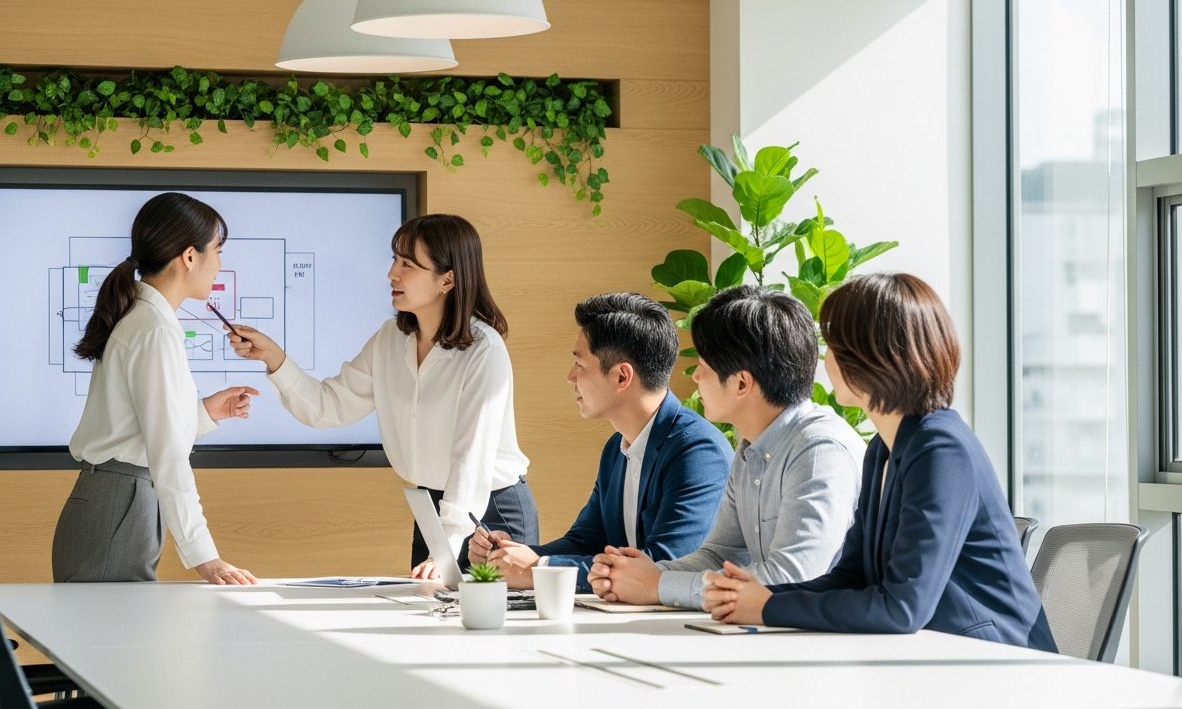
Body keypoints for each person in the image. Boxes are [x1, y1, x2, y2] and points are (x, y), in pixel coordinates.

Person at [702, 273, 1058, 650]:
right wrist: (761, 597)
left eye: (835, 346)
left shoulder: (942, 449)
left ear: (869, 357)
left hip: (996, 660)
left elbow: (902, 608)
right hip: (932, 653)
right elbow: (852, 577)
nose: (826, 359)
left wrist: (769, 607)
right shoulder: (883, 448)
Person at [228, 214, 535, 576]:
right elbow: (329, 407)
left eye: (408, 264)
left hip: (489, 511)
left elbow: (471, 458)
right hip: (434, 508)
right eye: (394, 259)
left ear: (447, 280)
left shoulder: (484, 350)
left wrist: (447, 544)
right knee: (427, 610)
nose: (392, 273)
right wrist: (273, 358)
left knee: (489, 614)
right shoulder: (390, 338)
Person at [587, 285, 865, 610]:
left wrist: (657, 586)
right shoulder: (751, 449)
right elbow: (719, 554)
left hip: (826, 636)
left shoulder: (819, 451)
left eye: (703, 366)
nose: (695, 377)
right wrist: (639, 576)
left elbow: (790, 579)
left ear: (741, 383)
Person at [54, 191, 260, 585]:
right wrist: (206, 557)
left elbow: (138, 425)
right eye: (218, 251)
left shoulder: (142, 317)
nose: (220, 264)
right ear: (189, 257)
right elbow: (167, 453)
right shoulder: (154, 329)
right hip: (121, 501)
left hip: (117, 498)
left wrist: (204, 413)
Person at [470, 293, 731, 591]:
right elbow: (585, 540)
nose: (570, 377)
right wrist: (510, 556)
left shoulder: (698, 451)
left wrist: (539, 568)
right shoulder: (616, 448)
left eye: (579, 364)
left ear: (621, 377)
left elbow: (664, 565)